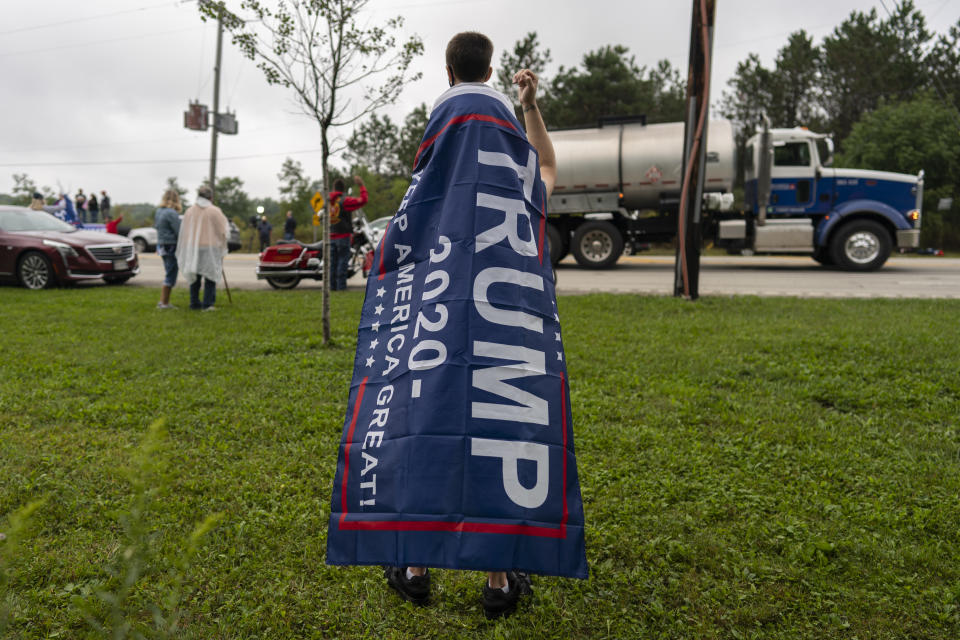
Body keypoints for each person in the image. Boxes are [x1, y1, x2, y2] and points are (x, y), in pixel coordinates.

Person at [326, 32, 585, 620]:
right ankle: (499, 578)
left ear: (448, 72)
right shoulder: (518, 189)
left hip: (434, 324)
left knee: (426, 420)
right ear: (491, 69)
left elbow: (400, 234)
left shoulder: (428, 193)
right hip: (506, 327)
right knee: (502, 421)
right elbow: (545, 164)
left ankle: (414, 568)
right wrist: (529, 105)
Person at [176, 185, 229, 311]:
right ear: (211, 197)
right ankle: (208, 303)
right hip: (210, 248)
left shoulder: (189, 211)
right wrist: (222, 243)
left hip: (193, 247)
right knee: (210, 275)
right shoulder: (215, 211)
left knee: (195, 274)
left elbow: (184, 231)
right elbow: (224, 230)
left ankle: (194, 302)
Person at [327, 175, 367, 290]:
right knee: (342, 263)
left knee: (332, 264)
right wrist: (361, 185)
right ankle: (341, 288)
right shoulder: (345, 200)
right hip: (343, 236)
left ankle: (332, 288)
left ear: (334, 188)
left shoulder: (328, 200)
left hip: (330, 236)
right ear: (343, 189)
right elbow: (363, 200)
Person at [155, 188, 182, 309]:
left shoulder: (159, 211)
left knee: (168, 270)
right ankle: (164, 303)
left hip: (161, 244)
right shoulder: (172, 213)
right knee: (171, 273)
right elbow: (179, 230)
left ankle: (163, 301)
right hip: (171, 244)